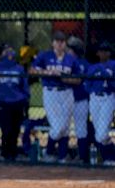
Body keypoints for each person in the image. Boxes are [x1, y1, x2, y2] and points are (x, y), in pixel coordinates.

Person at [29, 31, 81, 163]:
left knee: (65, 128)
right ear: (53, 43)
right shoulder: (45, 56)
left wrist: (64, 78)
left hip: (67, 92)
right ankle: (48, 151)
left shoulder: (71, 59)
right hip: (51, 92)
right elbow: (32, 70)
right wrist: (48, 72)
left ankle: (62, 157)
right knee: (57, 127)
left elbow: (78, 79)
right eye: (57, 41)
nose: (59, 44)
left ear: (65, 44)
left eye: (62, 41)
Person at [0, 43, 29, 161]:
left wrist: (24, 98)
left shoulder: (19, 68)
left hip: (17, 103)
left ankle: (13, 154)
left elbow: (24, 85)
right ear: (1, 54)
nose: (9, 53)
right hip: (3, 104)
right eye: (6, 51)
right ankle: (6, 154)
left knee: (16, 130)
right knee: (6, 130)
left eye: (11, 50)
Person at [84, 42, 115, 165]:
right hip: (94, 99)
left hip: (108, 98)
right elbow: (87, 85)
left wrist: (108, 77)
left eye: (106, 51)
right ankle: (108, 158)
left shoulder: (113, 65)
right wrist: (92, 91)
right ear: (97, 53)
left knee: (102, 134)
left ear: (110, 53)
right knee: (98, 135)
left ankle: (111, 156)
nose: (104, 53)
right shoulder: (93, 67)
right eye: (101, 51)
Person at [66, 36, 91, 164]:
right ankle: (65, 155)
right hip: (66, 100)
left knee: (81, 129)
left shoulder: (82, 64)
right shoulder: (66, 61)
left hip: (80, 99)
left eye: (69, 49)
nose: (67, 51)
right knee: (63, 127)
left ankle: (82, 156)